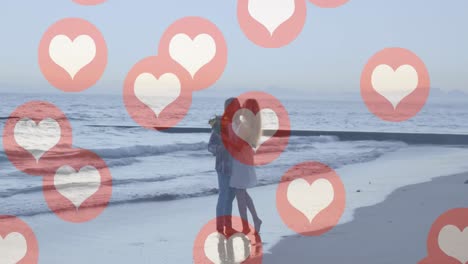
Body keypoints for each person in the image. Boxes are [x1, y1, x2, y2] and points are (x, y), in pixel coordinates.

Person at [208, 98, 240, 235]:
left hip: (237, 166)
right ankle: (220, 227)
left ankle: (229, 226)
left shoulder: (239, 124)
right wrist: (223, 147)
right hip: (223, 165)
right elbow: (210, 146)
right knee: (224, 194)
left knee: (231, 195)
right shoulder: (219, 124)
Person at [229, 98, 263, 233]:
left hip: (240, 162)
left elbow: (237, 146)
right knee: (242, 192)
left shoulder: (245, 126)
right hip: (245, 161)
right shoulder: (252, 125)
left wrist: (225, 139)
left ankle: (245, 226)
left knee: (240, 194)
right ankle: (255, 219)